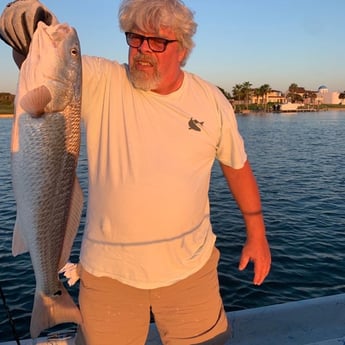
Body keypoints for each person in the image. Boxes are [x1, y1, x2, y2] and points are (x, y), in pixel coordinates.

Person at [0, 0, 271, 344]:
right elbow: (49, 67)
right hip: (108, 277)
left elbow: (237, 165)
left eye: (157, 41)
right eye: (135, 38)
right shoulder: (102, 79)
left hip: (191, 271)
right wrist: (28, 24)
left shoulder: (211, 99)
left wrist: (257, 233)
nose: (143, 49)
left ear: (183, 50)